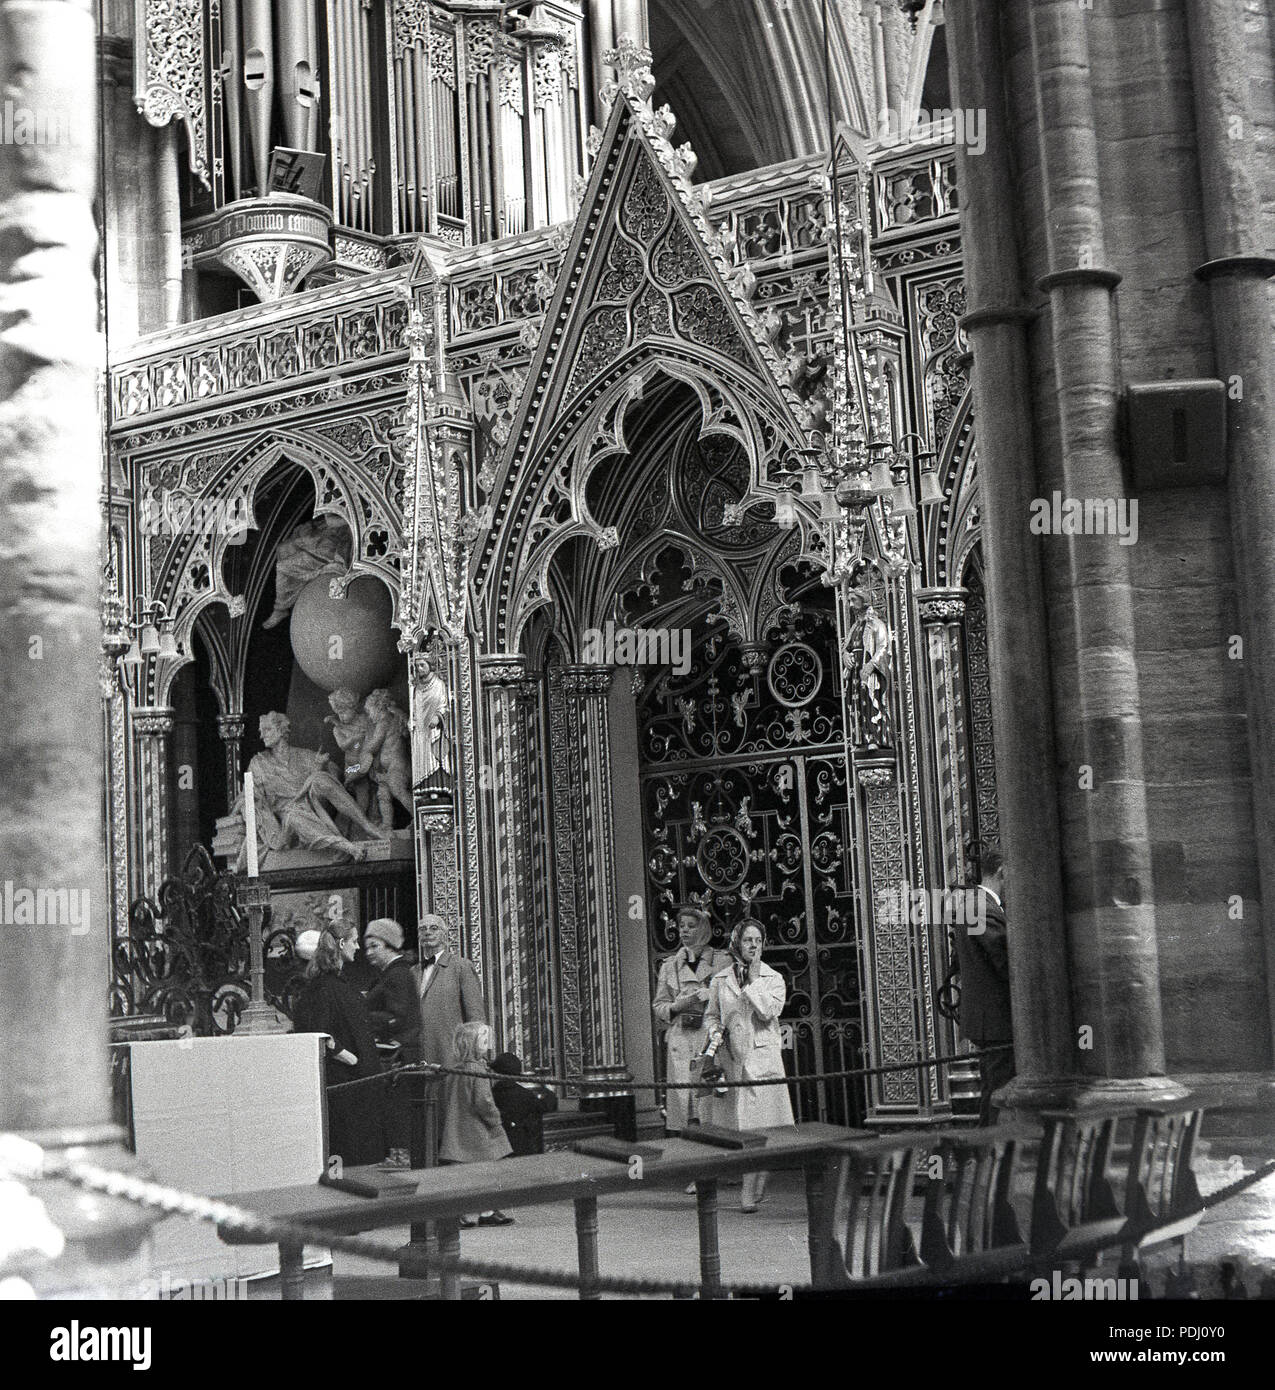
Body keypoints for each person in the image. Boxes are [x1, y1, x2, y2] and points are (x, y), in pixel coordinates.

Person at [702, 919, 794, 1213]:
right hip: (733, 1061)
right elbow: (712, 1015)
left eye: (758, 940)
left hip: (763, 1061)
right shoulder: (720, 980)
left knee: (767, 1131)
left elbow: (768, 1012)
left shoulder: (773, 978)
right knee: (746, 1131)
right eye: (747, 941)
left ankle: (752, 1188)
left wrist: (754, 981)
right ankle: (750, 1188)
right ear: (737, 944)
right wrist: (715, 1031)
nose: (753, 946)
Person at [291, 922, 386, 1167]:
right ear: (342, 944)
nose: (357, 947)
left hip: (360, 1083)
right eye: (354, 941)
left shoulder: (339, 983)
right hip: (347, 1084)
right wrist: (351, 1058)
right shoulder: (323, 986)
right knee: (349, 1153)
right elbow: (319, 1034)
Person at [652, 905, 732, 1132]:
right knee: (684, 1100)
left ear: (703, 928)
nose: (684, 931)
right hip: (681, 1038)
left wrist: (712, 995)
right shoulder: (670, 966)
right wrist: (678, 1005)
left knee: (710, 1105)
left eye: (691, 926)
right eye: (681, 926)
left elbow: (734, 999)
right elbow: (659, 1006)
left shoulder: (722, 961)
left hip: (709, 1037)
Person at [952, 846, 1015, 1124]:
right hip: (997, 1020)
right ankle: (991, 1154)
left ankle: (989, 1153)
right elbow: (1006, 962)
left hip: (988, 1020)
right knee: (999, 1092)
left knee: (994, 1090)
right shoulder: (980, 907)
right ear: (1002, 872)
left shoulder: (973, 904)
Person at [438, 1022, 514, 1227]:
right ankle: (486, 1211)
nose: (488, 1046)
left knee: (462, 1175)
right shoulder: (477, 1070)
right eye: (484, 1041)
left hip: (458, 1126)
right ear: (471, 1044)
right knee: (486, 1172)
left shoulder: (455, 1070)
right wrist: (496, 1121)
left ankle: (459, 1212)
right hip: (477, 1128)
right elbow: (484, 1102)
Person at [363, 918, 421, 1169]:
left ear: (389, 945)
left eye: (374, 946)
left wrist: (363, 1018)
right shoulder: (391, 974)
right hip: (396, 1053)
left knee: (396, 1107)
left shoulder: (397, 975)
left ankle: (399, 1158)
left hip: (398, 1056)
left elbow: (398, 1017)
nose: (368, 953)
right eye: (367, 947)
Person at [417, 912, 487, 1066]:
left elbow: (475, 1016)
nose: (427, 932)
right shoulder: (413, 972)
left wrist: (476, 1056)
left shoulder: (461, 966)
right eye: (422, 929)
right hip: (422, 1057)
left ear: (444, 935)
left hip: (453, 1057)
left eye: (434, 928)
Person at [490, 1052, 558, 1157]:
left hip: (498, 1146)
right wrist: (550, 1092)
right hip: (520, 1146)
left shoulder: (492, 1094)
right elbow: (544, 1106)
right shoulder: (524, 1094)